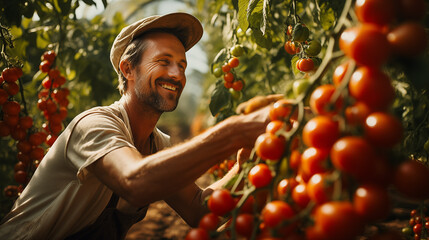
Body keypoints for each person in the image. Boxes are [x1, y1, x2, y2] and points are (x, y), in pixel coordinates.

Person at [0, 12, 273, 239]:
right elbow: (134, 181)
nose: (177, 74)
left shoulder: (157, 144)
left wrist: (247, 165)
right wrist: (237, 130)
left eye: (182, 65)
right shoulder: (95, 125)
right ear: (128, 69)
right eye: (164, 61)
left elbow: (198, 209)